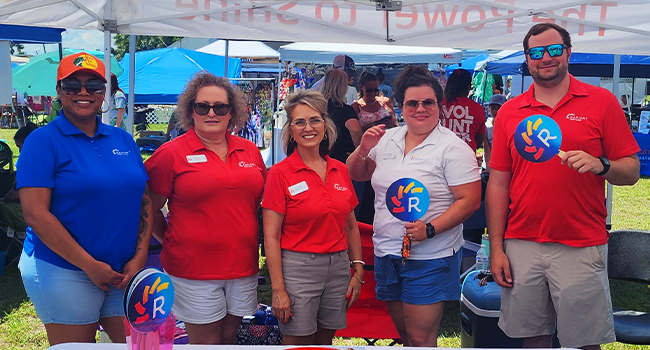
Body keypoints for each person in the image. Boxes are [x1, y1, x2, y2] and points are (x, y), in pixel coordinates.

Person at [487, 23, 641, 350]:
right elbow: (499, 183)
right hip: (522, 242)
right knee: (533, 339)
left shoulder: (601, 102)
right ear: (527, 60)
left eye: (554, 50)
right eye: (536, 52)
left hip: (581, 243)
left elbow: (632, 171)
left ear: (568, 53)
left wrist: (602, 165)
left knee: (586, 342)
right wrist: (496, 248)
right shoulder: (510, 112)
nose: (546, 57)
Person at [17, 52, 152, 346]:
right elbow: (35, 215)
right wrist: (89, 265)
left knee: (134, 345)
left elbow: (144, 200)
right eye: (72, 86)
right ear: (59, 91)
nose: (83, 92)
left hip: (122, 271)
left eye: (93, 85)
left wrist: (139, 256)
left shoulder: (123, 139)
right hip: (63, 269)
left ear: (104, 92)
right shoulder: (42, 142)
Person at [347, 65, 481, 347]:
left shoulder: (453, 148)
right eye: (412, 103)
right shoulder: (388, 139)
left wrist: (430, 229)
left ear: (439, 104)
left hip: (431, 256)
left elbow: (470, 201)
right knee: (406, 336)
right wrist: (362, 148)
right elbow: (356, 173)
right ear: (401, 106)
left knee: (421, 338)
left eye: (428, 102)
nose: (420, 108)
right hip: (388, 252)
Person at [145, 72, 266, 345]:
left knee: (228, 338)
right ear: (191, 111)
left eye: (220, 107)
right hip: (193, 268)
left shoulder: (250, 151)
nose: (212, 113)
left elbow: (260, 204)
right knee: (206, 343)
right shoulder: (171, 153)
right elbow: (148, 209)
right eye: (203, 106)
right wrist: (170, 240)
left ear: (231, 112)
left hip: (242, 265)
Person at [262, 89, 363, 345]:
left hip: (338, 267)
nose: (308, 127)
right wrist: (278, 289)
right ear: (291, 131)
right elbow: (271, 236)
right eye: (300, 122)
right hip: (298, 268)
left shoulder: (340, 169)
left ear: (325, 125)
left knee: (324, 342)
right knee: (298, 342)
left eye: (315, 120)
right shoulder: (279, 173)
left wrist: (358, 270)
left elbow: (351, 226)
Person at [320, 69, 362, 163]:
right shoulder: (344, 109)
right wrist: (360, 152)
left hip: (321, 156)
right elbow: (355, 129)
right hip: (341, 158)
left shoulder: (317, 107)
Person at [441, 69, 486, 151]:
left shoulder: (438, 105)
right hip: (467, 155)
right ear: (468, 87)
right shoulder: (477, 108)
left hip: (440, 154)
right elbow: (479, 139)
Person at [3, 123, 38, 203]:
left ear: (26, 142)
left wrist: (5, 200)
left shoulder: (27, 163)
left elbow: (16, 194)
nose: (19, 151)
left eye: (19, 146)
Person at [483, 94, 506, 173]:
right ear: (489, 109)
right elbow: (487, 149)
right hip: (489, 163)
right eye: (493, 108)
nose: (495, 111)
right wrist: (488, 168)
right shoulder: (486, 127)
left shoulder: (508, 127)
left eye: (498, 108)